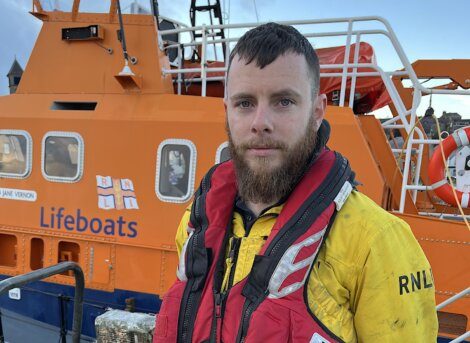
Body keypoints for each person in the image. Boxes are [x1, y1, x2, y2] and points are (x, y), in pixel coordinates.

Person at [153, 23, 438, 343]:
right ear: (227, 111)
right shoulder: (196, 222)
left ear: (317, 112)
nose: (261, 123)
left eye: (283, 101)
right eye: (245, 103)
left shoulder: (377, 241)